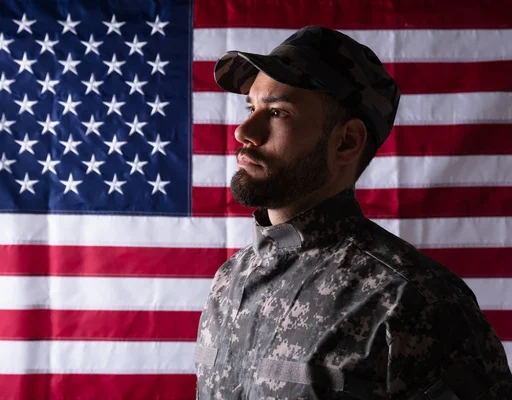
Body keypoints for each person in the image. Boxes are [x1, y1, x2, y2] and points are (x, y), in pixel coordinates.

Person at [194, 26, 512, 399]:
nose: (243, 131)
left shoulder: (412, 299)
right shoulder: (230, 280)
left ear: (346, 141)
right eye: (251, 108)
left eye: (278, 112)